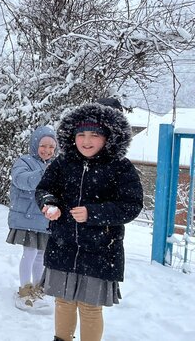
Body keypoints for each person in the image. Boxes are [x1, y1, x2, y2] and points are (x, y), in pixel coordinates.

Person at [35, 102, 143, 341]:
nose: (86, 141)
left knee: (90, 307)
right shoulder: (63, 163)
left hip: (101, 250)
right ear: (72, 135)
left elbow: (131, 205)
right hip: (63, 245)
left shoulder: (120, 167)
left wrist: (93, 213)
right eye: (81, 134)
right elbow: (44, 189)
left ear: (108, 137)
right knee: (63, 301)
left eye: (94, 135)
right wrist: (50, 204)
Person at [7, 125, 57, 312]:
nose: (47, 150)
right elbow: (22, 180)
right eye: (43, 146)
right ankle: (24, 289)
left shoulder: (54, 164)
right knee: (29, 253)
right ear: (35, 144)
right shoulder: (24, 162)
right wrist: (44, 172)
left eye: (51, 147)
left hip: (45, 218)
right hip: (27, 217)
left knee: (41, 255)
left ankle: (38, 287)